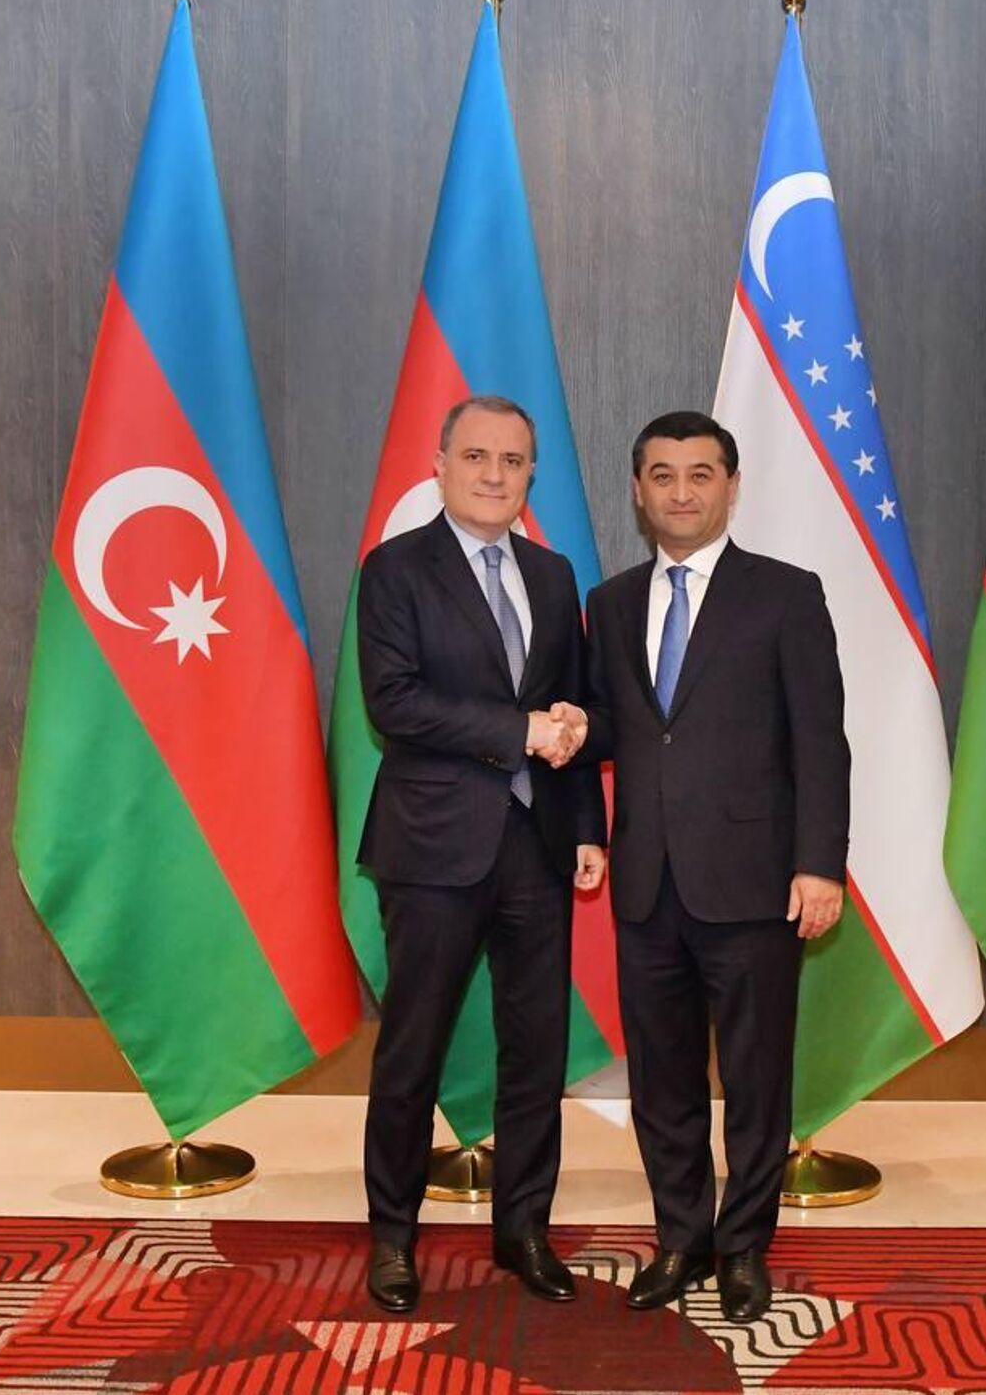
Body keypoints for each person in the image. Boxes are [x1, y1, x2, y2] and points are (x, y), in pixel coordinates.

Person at [574, 409, 849, 1323]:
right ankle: (682, 1236)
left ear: (731, 486)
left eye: (700, 474)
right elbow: (609, 730)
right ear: (638, 492)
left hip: (755, 882)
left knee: (756, 1078)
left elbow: (820, 742)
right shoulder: (611, 603)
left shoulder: (786, 595)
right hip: (646, 882)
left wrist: (820, 864)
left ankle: (744, 1247)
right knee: (663, 1081)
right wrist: (568, 738)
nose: (681, 492)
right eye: (663, 475)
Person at [355, 394, 606, 1313]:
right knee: (412, 1048)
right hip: (433, 849)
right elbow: (394, 704)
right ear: (441, 465)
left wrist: (586, 826)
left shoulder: (552, 574)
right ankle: (392, 1236)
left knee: (536, 1050)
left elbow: (572, 706)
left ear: (531, 474)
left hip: (538, 847)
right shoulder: (395, 569)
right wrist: (518, 730)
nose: (495, 475)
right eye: (476, 457)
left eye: (512, 460)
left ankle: (523, 1229)